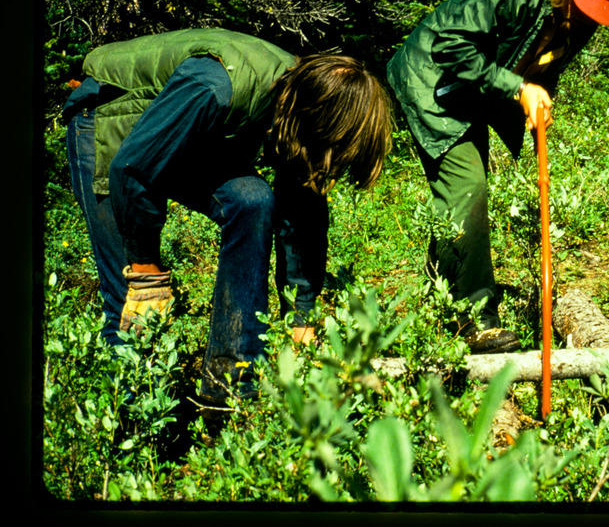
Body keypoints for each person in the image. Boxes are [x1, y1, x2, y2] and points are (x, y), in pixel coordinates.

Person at [62, 27, 392, 406]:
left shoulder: (299, 104)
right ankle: (127, 429)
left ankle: (229, 384)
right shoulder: (216, 86)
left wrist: (301, 315)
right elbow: (132, 169)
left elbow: (303, 211)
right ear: (320, 120)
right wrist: (145, 267)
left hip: (184, 130)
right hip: (110, 122)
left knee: (251, 200)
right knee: (130, 297)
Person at [386, 0, 609, 353]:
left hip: (470, 95)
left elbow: (545, 67)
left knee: (459, 200)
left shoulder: (576, 17)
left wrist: (537, 107)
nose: (589, 16)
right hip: (433, 81)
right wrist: (517, 88)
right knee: (468, 187)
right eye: (586, 2)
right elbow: (451, 49)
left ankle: (438, 305)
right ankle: (475, 320)